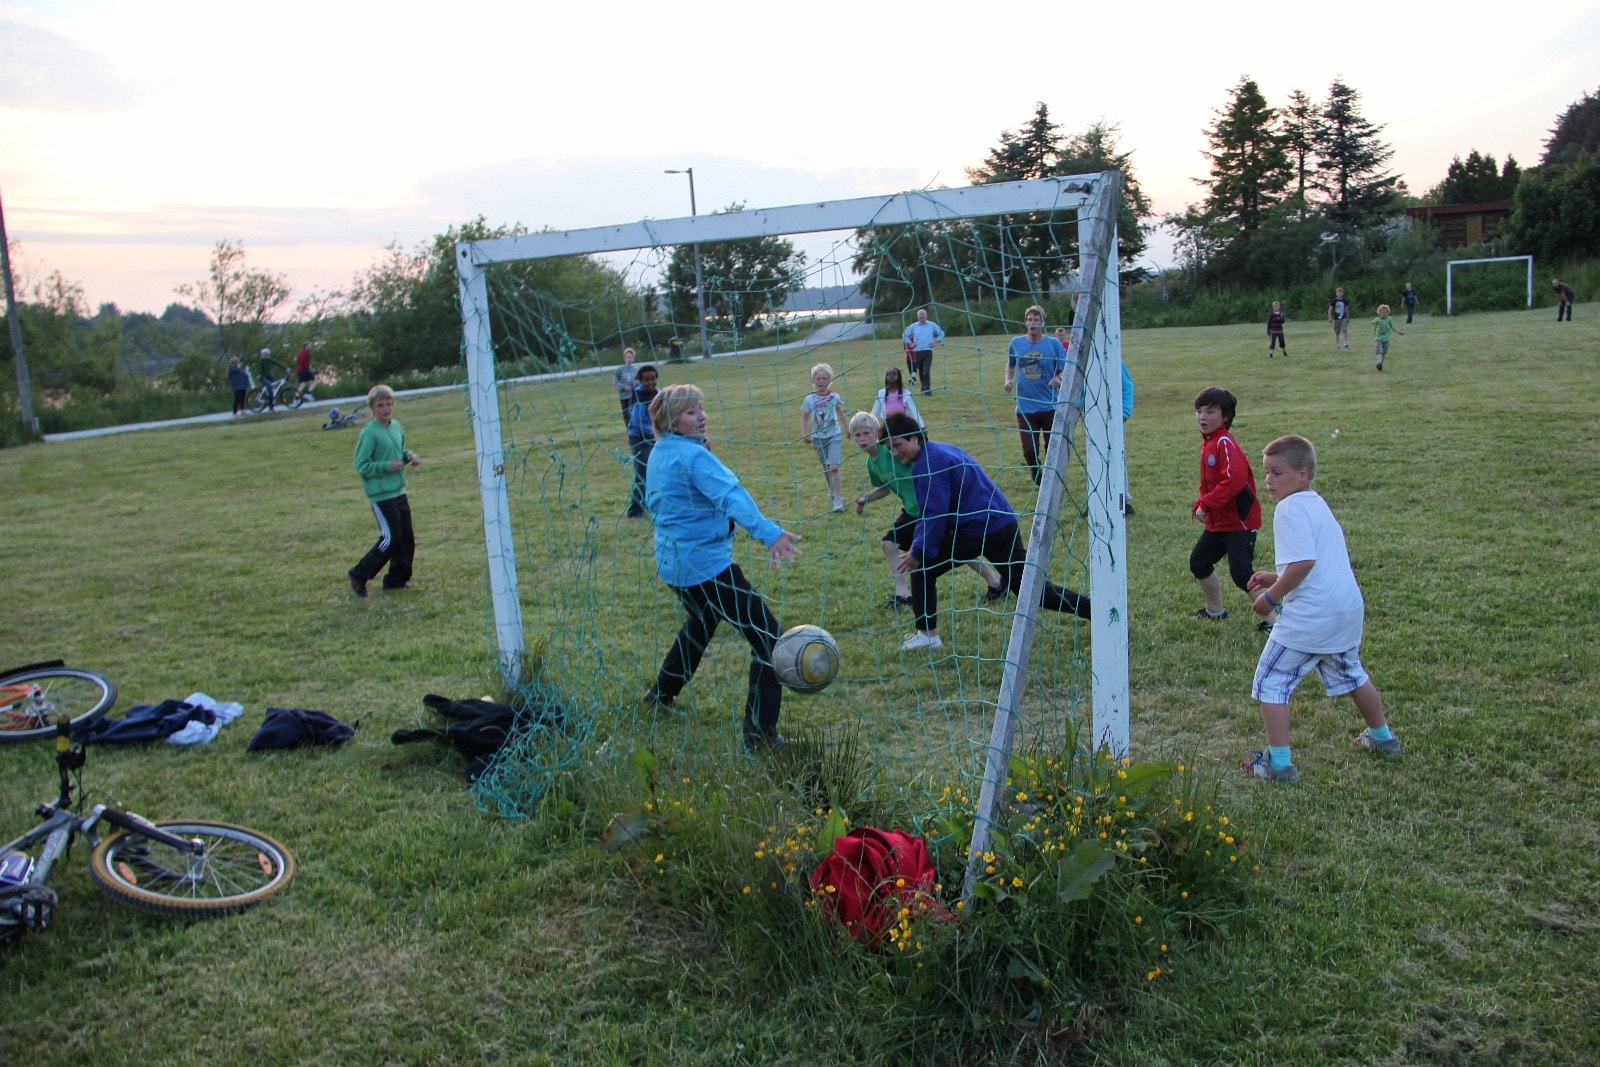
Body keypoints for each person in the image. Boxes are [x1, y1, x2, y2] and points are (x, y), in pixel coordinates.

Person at [643, 384, 803, 751]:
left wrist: (699, 450)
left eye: (700, 408)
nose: (700, 416)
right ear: (669, 420)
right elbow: (731, 496)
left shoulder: (661, 451)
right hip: (706, 567)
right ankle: (759, 735)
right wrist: (770, 534)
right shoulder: (693, 457)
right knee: (768, 638)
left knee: (701, 621)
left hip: (673, 565)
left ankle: (659, 696)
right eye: (689, 412)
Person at [1241, 434, 1399, 782]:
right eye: (1266, 472)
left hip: (1311, 617)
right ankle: (1384, 739)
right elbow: (1314, 558)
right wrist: (1274, 575)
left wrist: (1271, 597)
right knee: (1352, 673)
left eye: (1277, 473)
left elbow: (1302, 564)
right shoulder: (1315, 502)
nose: (1269, 480)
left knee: (1271, 681)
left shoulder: (1289, 509)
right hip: (1345, 611)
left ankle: (1278, 764)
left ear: (1303, 473)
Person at [883, 412, 1089, 651]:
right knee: (1034, 592)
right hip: (1003, 523)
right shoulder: (942, 450)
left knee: (921, 568)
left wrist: (918, 551)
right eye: (891, 449)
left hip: (979, 530)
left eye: (898, 445)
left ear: (915, 438)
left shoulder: (927, 466)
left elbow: (934, 514)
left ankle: (928, 637)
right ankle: (1094, 609)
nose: (896, 453)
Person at [849, 412, 1004, 608]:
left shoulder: (892, 451)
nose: (862, 438)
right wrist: (865, 499)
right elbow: (885, 488)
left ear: (878, 434)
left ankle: (996, 582)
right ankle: (903, 595)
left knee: (955, 549)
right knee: (889, 544)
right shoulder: (871, 463)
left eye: (867, 433)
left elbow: (919, 462)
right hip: (912, 511)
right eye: (857, 434)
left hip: (928, 508)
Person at [1189, 387, 1271, 631]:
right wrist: (1200, 504)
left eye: (1210, 411)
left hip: (1239, 523)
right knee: (1199, 563)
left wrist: (1207, 504)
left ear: (1224, 416)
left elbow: (1233, 481)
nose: (1202, 417)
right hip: (1219, 523)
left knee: (1242, 574)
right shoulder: (1208, 443)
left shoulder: (1224, 442)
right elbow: (1211, 484)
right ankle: (1215, 611)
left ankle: (1276, 622)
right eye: (1199, 411)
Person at [348, 384, 421, 597]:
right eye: (380, 405)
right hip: (381, 495)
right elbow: (362, 465)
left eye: (389, 404)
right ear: (372, 408)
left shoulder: (396, 426)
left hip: (398, 491)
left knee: (406, 538)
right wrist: (387, 466)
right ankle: (359, 574)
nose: (386, 409)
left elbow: (399, 451)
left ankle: (396, 580)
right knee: (391, 538)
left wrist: (409, 456)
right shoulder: (369, 433)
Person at [1054, 326, 1135, 516]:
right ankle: (1097, 501)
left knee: (1116, 459)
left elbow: (1127, 387)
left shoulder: (1115, 361)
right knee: (1095, 459)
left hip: (1114, 420)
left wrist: (1124, 412)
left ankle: (1123, 501)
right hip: (1093, 420)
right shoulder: (1082, 365)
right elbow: (1080, 392)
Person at [1005, 306, 1068, 486]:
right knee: (1029, 450)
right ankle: (1035, 469)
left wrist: (1058, 377)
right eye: (1030, 320)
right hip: (1025, 407)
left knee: (1052, 447)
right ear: (1026, 322)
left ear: (1042, 323)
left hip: (1050, 406)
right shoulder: (1016, 343)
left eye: (1036, 320)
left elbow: (1066, 369)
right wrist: (1009, 379)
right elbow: (1010, 364)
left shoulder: (1054, 344)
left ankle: (1050, 477)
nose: (1032, 323)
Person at [800, 362, 847, 512]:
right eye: (818, 378)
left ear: (829, 380)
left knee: (833, 466)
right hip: (818, 438)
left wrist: (847, 429)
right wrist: (805, 433)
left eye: (824, 378)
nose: (821, 381)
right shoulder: (809, 400)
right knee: (826, 468)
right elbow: (805, 418)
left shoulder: (834, 397)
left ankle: (838, 500)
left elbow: (840, 412)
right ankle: (832, 491)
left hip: (834, 435)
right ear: (814, 381)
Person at [624, 364, 659, 518]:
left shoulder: (658, 394)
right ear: (639, 381)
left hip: (654, 437)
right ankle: (635, 510)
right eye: (646, 380)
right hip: (639, 438)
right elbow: (639, 423)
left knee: (657, 471)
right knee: (643, 472)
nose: (650, 382)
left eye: (653, 379)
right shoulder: (637, 398)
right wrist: (657, 432)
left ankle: (655, 504)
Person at [901, 307, 945, 395]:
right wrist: (910, 344)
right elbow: (905, 335)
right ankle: (923, 387)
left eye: (923, 314)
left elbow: (941, 333)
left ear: (926, 316)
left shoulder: (932, 325)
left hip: (928, 351)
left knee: (926, 371)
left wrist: (936, 341)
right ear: (918, 317)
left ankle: (927, 389)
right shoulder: (914, 326)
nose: (922, 316)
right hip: (918, 351)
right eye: (920, 314)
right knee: (921, 371)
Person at [612, 347, 640, 424]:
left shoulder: (636, 369)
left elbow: (641, 381)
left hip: (634, 396)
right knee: (626, 415)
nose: (629, 359)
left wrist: (637, 382)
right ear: (624, 358)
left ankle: (636, 429)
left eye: (631, 357)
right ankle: (629, 430)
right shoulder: (619, 370)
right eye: (627, 357)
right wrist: (623, 387)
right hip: (624, 397)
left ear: (634, 358)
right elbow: (616, 382)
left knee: (634, 414)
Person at [1372, 304, 1403, 372]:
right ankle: (1379, 362)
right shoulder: (1377, 320)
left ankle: (1380, 365)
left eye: (1385, 312)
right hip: (1379, 338)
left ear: (1387, 313)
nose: (1383, 314)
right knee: (1379, 352)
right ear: (1379, 313)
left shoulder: (1389, 319)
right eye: (1382, 312)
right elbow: (1374, 328)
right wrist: (1374, 336)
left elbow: (1392, 327)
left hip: (1386, 339)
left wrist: (1398, 332)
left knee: (1383, 353)